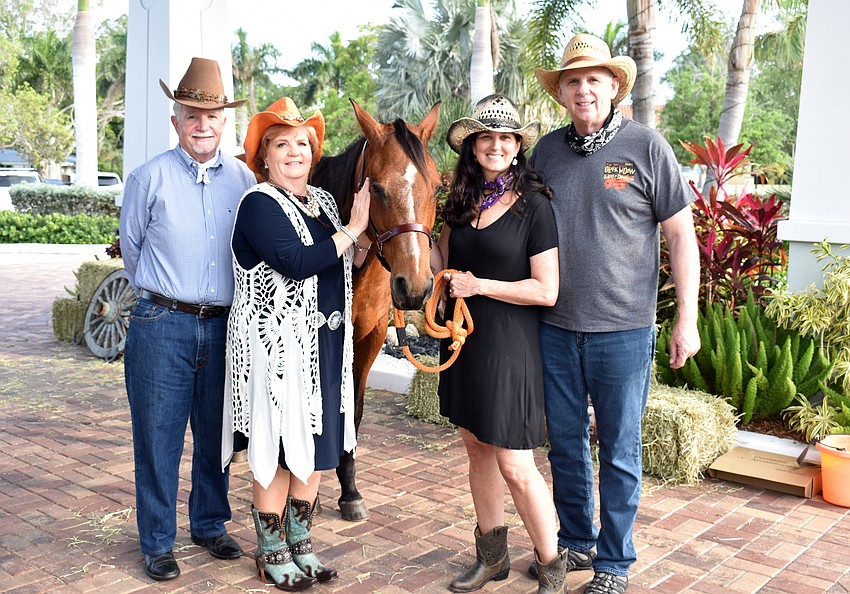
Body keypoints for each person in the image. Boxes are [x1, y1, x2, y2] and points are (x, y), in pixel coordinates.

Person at [529, 34, 701, 594]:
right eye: (573, 81)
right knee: (566, 444)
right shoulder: (546, 154)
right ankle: (578, 542)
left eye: (594, 80)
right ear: (561, 93)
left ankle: (615, 563)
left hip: (623, 329)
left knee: (621, 448)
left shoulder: (646, 147)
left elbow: (681, 237)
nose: (583, 89)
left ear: (613, 87)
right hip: (555, 325)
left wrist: (686, 319)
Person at [222, 97, 371, 591]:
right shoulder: (258, 204)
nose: (293, 153)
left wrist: (372, 232)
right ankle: (271, 550)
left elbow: (341, 262)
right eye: (281, 145)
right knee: (281, 446)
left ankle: (302, 545)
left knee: (317, 445)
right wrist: (354, 230)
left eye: (302, 145)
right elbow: (296, 262)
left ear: (313, 153)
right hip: (277, 351)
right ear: (263, 157)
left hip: (324, 347)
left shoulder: (325, 203)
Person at [119, 57, 257, 581]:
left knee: (217, 434)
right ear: (175, 120)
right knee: (158, 436)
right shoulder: (147, 178)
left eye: (212, 115)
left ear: (225, 123)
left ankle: (209, 523)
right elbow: (133, 253)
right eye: (192, 114)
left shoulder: (244, 179)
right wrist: (168, 294)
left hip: (225, 325)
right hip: (162, 323)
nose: (203, 124)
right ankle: (156, 539)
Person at [431, 94, 565, 594]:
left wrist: (479, 285)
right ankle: (492, 557)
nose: (496, 145)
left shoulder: (535, 207)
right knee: (476, 448)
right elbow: (440, 260)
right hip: (464, 342)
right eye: (486, 137)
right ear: (471, 146)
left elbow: (545, 289)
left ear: (517, 147)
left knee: (514, 460)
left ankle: (552, 566)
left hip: (510, 345)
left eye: (506, 137)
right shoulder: (460, 202)